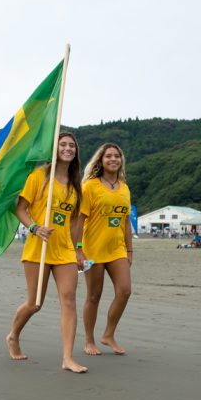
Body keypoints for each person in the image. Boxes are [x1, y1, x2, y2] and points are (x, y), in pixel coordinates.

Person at [5, 132, 87, 373]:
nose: (68, 148)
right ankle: (13, 336)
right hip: (38, 248)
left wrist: (78, 251)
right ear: (55, 148)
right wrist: (34, 227)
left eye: (72, 145)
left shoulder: (75, 185)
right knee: (35, 303)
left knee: (69, 300)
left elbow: (74, 224)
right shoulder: (39, 176)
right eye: (63, 144)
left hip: (64, 251)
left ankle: (68, 358)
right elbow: (20, 208)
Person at [76, 143, 133, 356]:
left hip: (117, 249)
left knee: (125, 291)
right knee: (94, 295)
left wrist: (130, 250)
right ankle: (89, 341)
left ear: (121, 160)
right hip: (93, 250)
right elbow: (79, 221)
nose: (113, 159)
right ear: (100, 160)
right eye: (108, 156)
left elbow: (126, 222)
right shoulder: (90, 186)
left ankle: (108, 334)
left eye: (116, 156)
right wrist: (78, 249)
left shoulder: (124, 188)